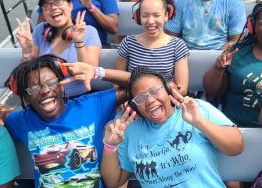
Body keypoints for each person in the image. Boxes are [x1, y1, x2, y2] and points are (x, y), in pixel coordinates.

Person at [0, 54, 131, 188]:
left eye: (51, 83)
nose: (44, 91)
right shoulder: (20, 121)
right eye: (34, 88)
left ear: (61, 86)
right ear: (26, 97)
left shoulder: (92, 105)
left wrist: (97, 72)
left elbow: (141, 84)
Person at [100, 67, 244, 188]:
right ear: (134, 106)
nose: (150, 100)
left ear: (168, 90)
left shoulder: (196, 109)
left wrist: (199, 122)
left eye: (155, 91)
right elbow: (114, 182)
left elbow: (236, 146)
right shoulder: (131, 132)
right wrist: (110, 146)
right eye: (141, 98)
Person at [17, 0, 101, 98]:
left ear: (70, 5)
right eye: (46, 6)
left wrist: (78, 42)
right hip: (45, 96)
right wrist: (27, 50)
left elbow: (90, 72)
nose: (53, 8)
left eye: (58, 2)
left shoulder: (89, 32)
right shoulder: (40, 30)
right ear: (43, 13)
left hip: (78, 97)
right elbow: (25, 73)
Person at [116, 0, 189, 95]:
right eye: (145, 16)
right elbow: (117, 83)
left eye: (156, 15)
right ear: (138, 17)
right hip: (134, 102)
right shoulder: (128, 43)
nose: (150, 21)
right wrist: (124, 103)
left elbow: (181, 89)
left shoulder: (177, 46)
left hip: (165, 104)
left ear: (166, 16)